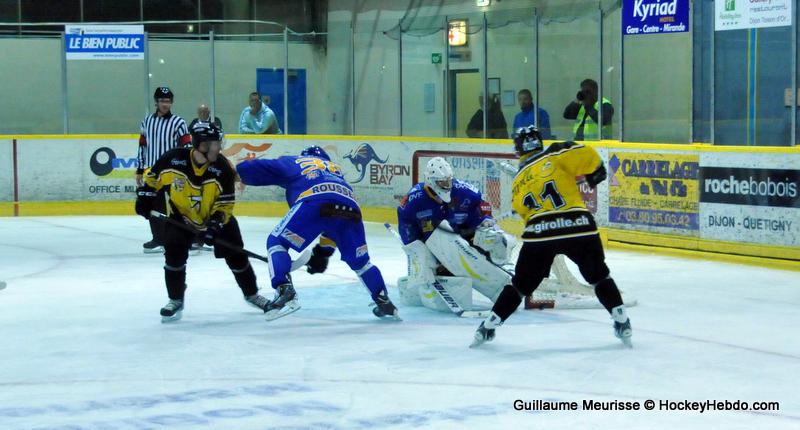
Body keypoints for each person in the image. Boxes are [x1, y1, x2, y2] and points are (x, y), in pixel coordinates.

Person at [470, 126, 631, 348]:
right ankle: (622, 320)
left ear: (519, 148)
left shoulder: (518, 181)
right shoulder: (555, 152)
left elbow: (526, 214)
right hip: (579, 226)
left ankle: (488, 326)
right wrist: (596, 170)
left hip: (540, 234)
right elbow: (587, 152)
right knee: (599, 276)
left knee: (520, 286)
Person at [235, 146, 400, 321]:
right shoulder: (336, 171)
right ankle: (384, 300)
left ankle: (284, 288)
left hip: (315, 201)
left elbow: (258, 167)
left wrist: (235, 171)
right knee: (361, 263)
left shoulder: (298, 161)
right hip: (351, 209)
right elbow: (333, 220)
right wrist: (322, 253)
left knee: (276, 242)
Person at [134, 122, 270, 322]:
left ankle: (252, 294)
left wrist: (214, 225)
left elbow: (225, 205)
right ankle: (175, 299)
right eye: (215, 143)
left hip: (215, 219)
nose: (219, 147)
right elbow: (152, 179)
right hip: (181, 217)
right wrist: (145, 198)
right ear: (201, 144)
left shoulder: (222, 167)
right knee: (174, 257)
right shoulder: (173, 159)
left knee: (237, 256)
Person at [396, 157, 516, 314]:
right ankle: (496, 287)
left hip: (464, 235)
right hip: (435, 243)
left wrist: (486, 219)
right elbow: (405, 221)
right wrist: (416, 249)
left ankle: (505, 276)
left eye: (449, 180)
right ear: (431, 181)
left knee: (497, 238)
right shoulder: (415, 199)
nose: (447, 185)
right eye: (442, 182)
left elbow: (482, 203)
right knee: (430, 253)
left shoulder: (462, 189)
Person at [136, 87, 191, 253]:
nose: (165, 104)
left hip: (173, 171)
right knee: (154, 205)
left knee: (181, 205)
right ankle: (159, 238)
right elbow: (142, 146)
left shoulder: (179, 122)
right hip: (153, 172)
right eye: (162, 101)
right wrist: (139, 169)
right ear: (156, 102)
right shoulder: (147, 122)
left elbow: (187, 146)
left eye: (168, 101)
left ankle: (190, 237)